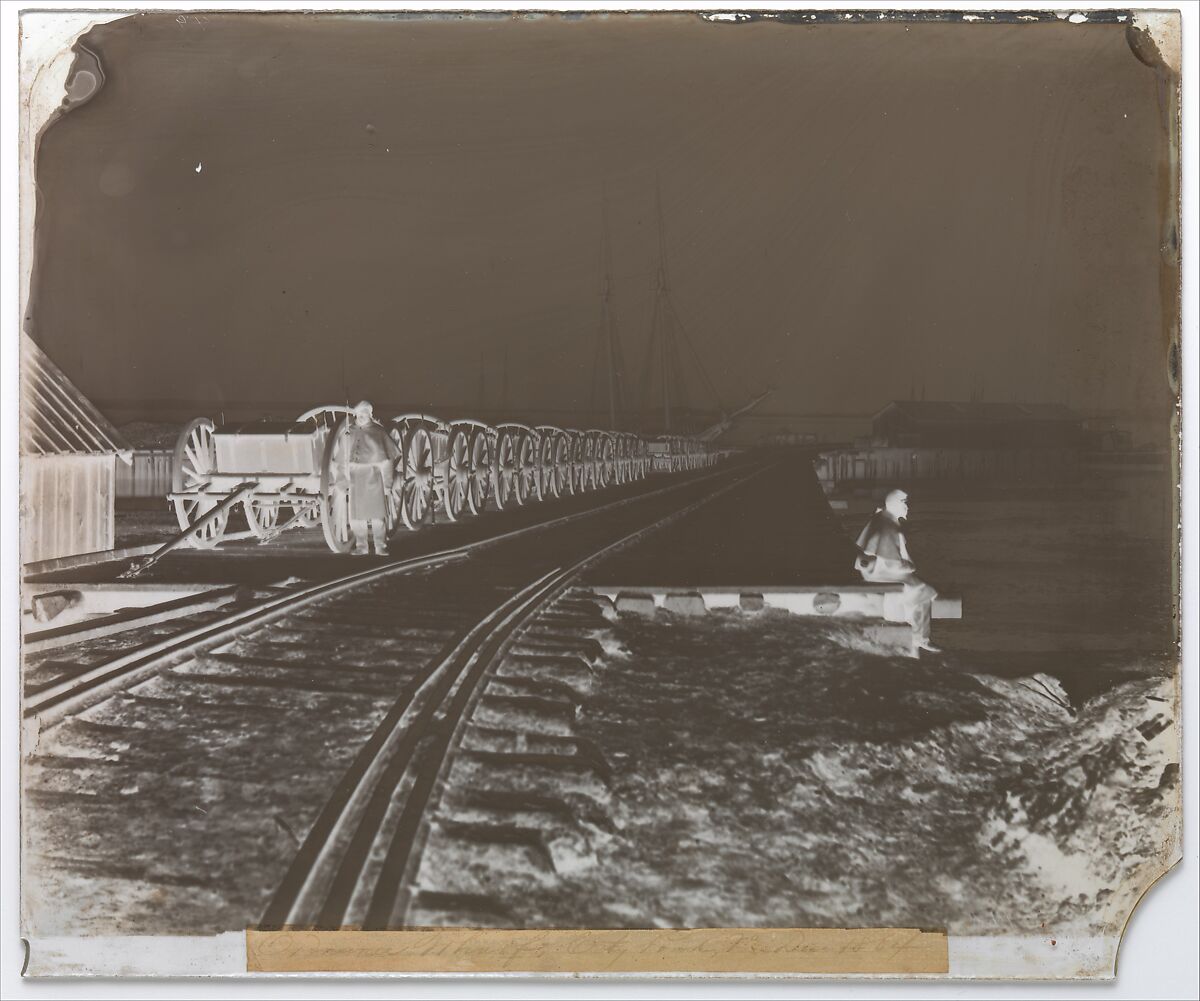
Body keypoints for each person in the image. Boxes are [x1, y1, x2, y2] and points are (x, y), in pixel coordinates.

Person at [854, 488, 940, 654]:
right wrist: (910, 566)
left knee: (913, 590)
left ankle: (915, 637)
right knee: (923, 593)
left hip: (873, 570)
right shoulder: (889, 526)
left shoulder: (882, 518)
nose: (908, 507)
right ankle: (920, 638)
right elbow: (893, 564)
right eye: (905, 503)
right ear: (895, 504)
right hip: (880, 573)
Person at [343, 400, 401, 556]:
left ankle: (380, 545)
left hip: (373, 477)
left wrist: (388, 484)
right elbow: (341, 457)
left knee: (377, 515)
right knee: (356, 516)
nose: (361, 417)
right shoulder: (350, 431)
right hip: (355, 478)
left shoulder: (378, 432)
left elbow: (387, 461)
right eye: (359, 414)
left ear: (370, 415)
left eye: (364, 414)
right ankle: (361, 546)